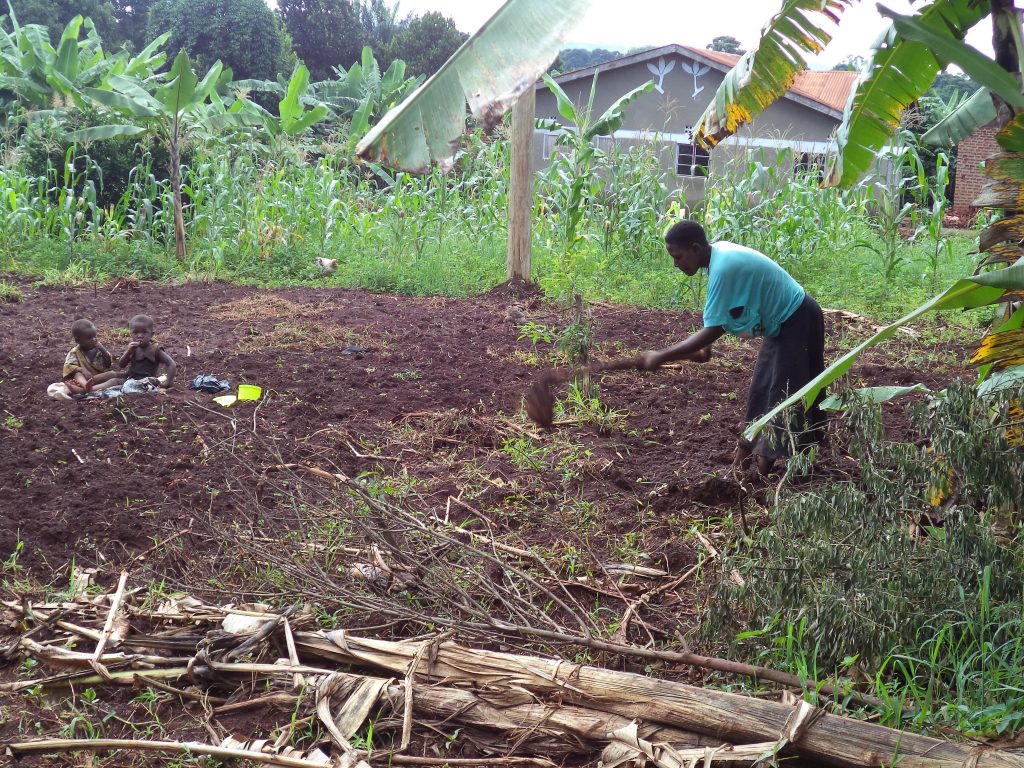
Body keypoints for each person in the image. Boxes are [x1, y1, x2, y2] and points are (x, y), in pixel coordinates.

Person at [640, 220, 825, 474]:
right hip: (783, 322)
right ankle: (741, 463)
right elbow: (716, 321)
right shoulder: (717, 259)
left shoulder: (723, 266)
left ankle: (763, 470)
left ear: (695, 248)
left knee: (784, 395)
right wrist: (700, 353)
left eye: (679, 257)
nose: (676, 264)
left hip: (798, 318)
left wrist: (662, 356)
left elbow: (714, 329)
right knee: (761, 389)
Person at [113, 314, 177, 387]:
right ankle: (96, 388)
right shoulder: (133, 348)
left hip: (145, 383)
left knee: (115, 383)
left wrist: (168, 382)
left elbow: (171, 364)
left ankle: (98, 392)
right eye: (136, 332)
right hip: (131, 378)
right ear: (131, 334)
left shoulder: (155, 349)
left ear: (151, 334)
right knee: (111, 377)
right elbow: (121, 365)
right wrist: (128, 352)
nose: (140, 336)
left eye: (144, 332)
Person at [63, 319, 119, 394]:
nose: (94, 340)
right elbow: (68, 366)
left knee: (111, 374)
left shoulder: (99, 350)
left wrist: (103, 350)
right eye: (89, 338)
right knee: (77, 374)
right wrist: (81, 369)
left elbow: (108, 364)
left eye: (95, 336)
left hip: (97, 378)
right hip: (83, 380)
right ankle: (86, 386)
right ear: (77, 340)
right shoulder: (74, 352)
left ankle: (86, 390)